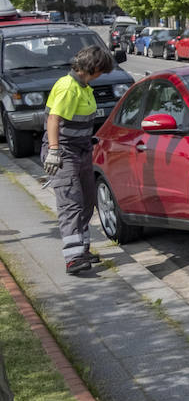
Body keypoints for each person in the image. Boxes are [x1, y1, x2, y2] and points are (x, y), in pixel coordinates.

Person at [42, 44, 115, 275]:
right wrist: (54, 151)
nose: (101, 76)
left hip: (80, 151)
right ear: (93, 68)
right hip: (64, 154)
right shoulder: (68, 87)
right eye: (101, 71)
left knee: (87, 201)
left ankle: (81, 249)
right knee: (70, 203)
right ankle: (73, 258)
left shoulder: (84, 87)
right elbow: (53, 120)